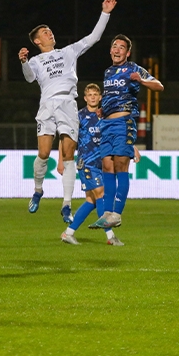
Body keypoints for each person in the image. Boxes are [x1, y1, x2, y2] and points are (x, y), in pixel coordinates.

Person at [19, 0, 117, 221]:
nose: (49, 33)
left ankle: (66, 205)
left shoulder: (68, 52)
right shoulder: (34, 61)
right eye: (45, 32)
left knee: (68, 154)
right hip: (47, 104)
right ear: (37, 41)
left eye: (50, 30)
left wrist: (105, 13)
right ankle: (38, 190)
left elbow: (94, 37)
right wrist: (24, 62)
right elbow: (29, 78)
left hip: (68, 103)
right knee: (43, 153)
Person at [90, 35, 163, 230]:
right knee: (107, 166)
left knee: (121, 165)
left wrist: (141, 80)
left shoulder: (134, 69)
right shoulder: (108, 72)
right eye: (114, 46)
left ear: (127, 52)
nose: (116, 49)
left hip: (123, 122)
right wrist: (103, 109)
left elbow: (159, 86)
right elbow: (110, 95)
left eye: (121, 47)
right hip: (106, 124)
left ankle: (117, 213)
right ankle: (107, 212)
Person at [58, 83, 122, 245]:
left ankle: (68, 233)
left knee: (91, 201)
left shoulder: (106, 115)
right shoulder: (78, 116)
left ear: (100, 97)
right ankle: (110, 236)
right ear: (85, 98)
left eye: (95, 94)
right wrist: (61, 160)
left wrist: (132, 147)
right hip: (87, 163)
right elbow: (65, 138)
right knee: (101, 195)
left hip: (103, 164)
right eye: (90, 95)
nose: (93, 97)